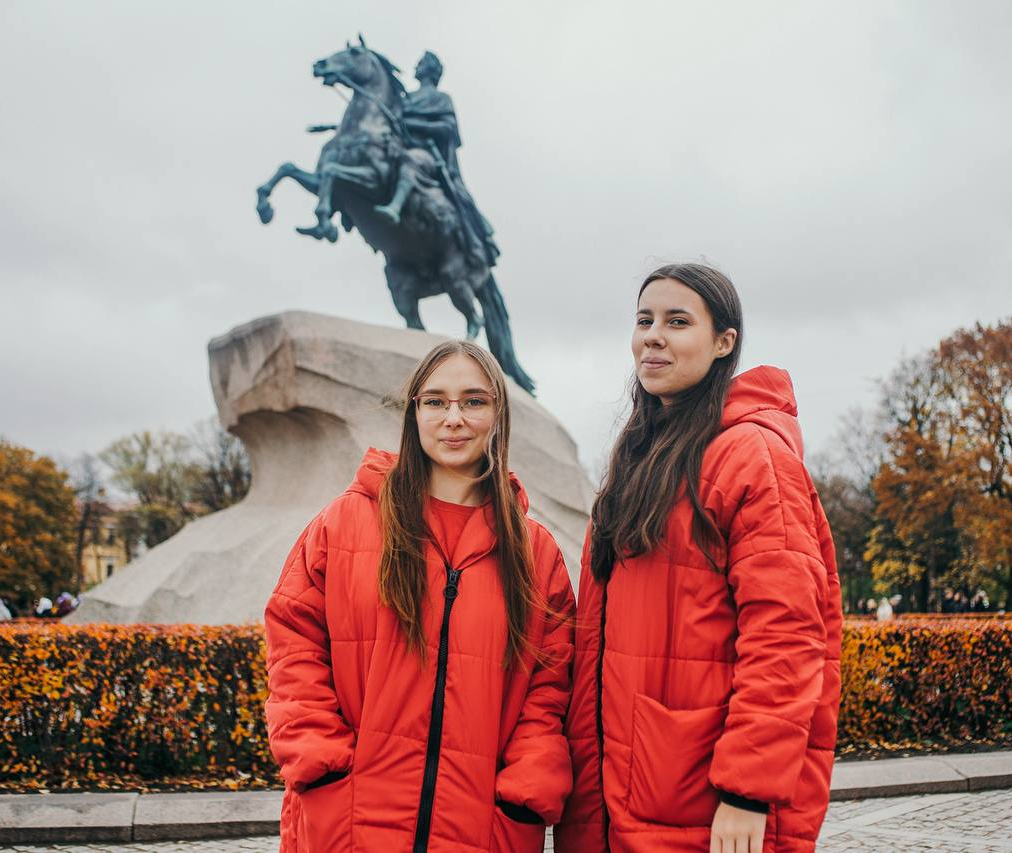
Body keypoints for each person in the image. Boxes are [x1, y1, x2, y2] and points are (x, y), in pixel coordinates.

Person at [556, 263, 843, 853]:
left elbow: (786, 634)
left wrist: (747, 790)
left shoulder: (752, 455)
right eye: (644, 321)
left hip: (702, 791)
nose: (653, 337)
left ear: (723, 342)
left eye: (677, 322)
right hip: (624, 785)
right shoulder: (640, 454)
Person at [264, 340, 575, 853]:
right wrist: (321, 765)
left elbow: (551, 688)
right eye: (435, 401)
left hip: (481, 829)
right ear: (414, 412)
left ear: (498, 413)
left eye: (473, 401)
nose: (453, 418)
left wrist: (524, 793)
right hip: (349, 823)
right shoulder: (343, 523)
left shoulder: (535, 552)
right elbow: (293, 645)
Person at [373, 51, 499, 266]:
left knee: (412, 161)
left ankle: (395, 206)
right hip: (397, 150)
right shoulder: (405, 99)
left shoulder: (440, 98)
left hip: (427, 157)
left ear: (431, 70)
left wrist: (413, 124)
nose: (416, 66)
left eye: (421, 63)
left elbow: (448, 129)